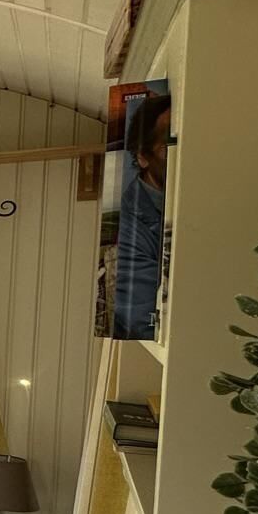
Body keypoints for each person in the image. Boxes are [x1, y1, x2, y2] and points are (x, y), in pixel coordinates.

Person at [112, 92, 171, 337]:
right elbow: (141, 317)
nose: (184, 156)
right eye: (168, 146)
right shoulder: (127, 225)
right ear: (142, 156)